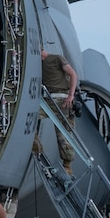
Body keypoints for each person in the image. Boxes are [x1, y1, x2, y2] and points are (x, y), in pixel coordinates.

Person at [36, 47, 77, 176]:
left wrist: (71, 95)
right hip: (48, 100)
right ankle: (37, 150)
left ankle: (67, 165)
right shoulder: (38, 64)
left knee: (63, 134)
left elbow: (72, 74)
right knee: (30, 119)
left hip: (62, 99)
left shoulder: (56, 58)